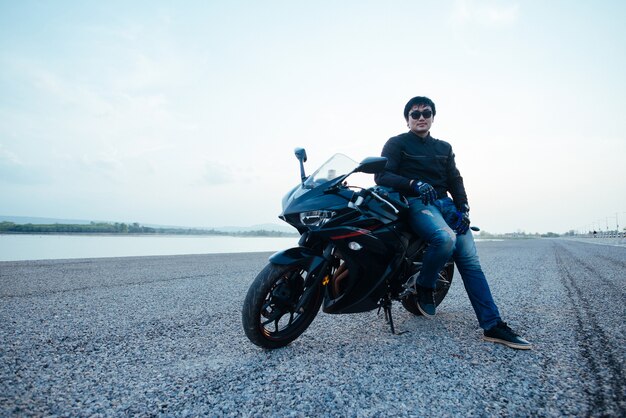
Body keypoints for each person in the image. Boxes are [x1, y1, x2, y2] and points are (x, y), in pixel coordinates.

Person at [374, 96, 532, 350]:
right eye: (415, 114)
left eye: (427, 113)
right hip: (417, 203)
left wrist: (464, 208)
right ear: (407, 120)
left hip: (445, 205)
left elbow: (454, 179)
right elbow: (381, 175)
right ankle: (425, 286)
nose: (421, 117)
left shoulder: (444, 147)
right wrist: (413, 184)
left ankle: (493, 325)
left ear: (433, 117)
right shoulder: (397, 143)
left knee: (470, 262)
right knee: (444, 238)